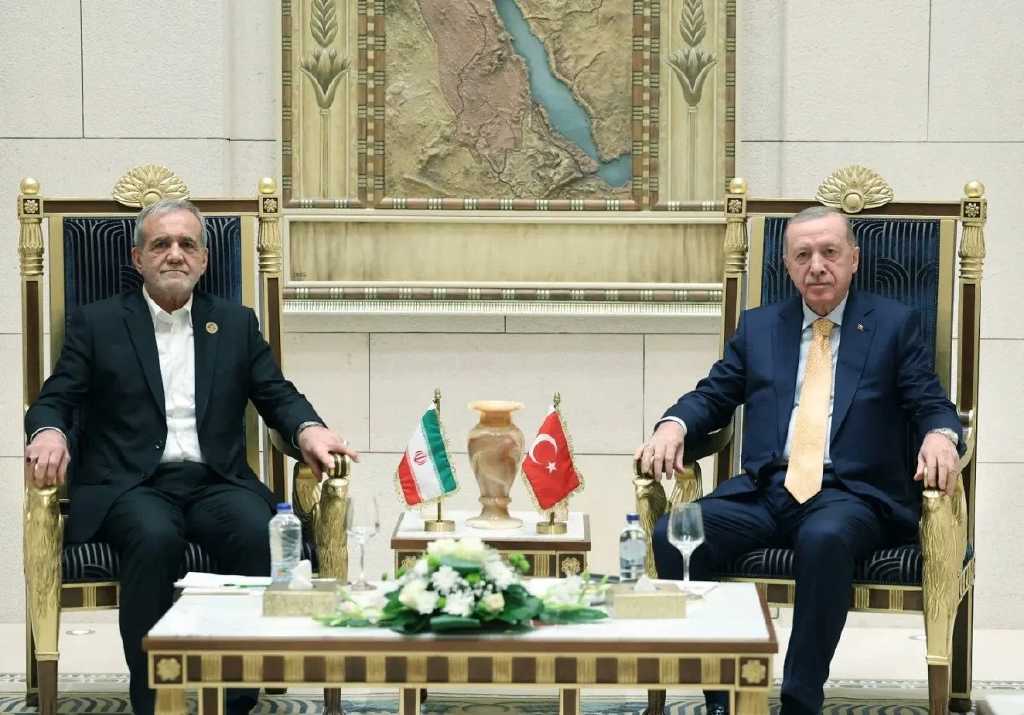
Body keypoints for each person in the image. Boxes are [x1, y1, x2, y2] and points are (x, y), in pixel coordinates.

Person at [24, 198, 360, 715]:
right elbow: (56, 398)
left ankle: (237, 698)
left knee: (257, 531)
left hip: (216, 481)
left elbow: (276, 393)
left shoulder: (234, 322)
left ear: (203, 259)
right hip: (132, 486)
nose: (175, 254)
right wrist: (49, 433)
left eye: (188, 244)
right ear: (138, 258)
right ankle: (154, 701)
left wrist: (310, 430)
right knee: (154, 538)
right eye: (161, 244)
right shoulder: (98, 323)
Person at [635, 206, 962, 715]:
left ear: (854, 259)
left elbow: (929, 401)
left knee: (824, 537)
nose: (817, 266)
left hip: (850, 495)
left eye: (830, 252)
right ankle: (722, 696)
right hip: (766, 491)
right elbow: (713, 395)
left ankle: (799, 701)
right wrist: (672, 426)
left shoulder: (894, 325)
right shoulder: (761, 327)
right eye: (803, 255)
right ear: (787, 265)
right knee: (676, 534)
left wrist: (941, 436)